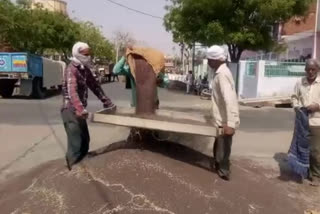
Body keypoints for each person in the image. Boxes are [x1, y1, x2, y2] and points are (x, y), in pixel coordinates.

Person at [61, 42, 116, 170]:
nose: (88, 56)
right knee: (76, 142)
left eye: (88, 54)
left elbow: (95, 86)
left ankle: (82, 166)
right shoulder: (72, 69)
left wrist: (107, 102)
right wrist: (80, 109)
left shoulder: (84, 69)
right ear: (77, 53)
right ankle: (72, 169)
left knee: (85, 140)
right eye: (85, 54)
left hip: (80, 110)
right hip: (70, 110)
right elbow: (72, 91)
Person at [207, 45, 240, 181]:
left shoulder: (222, 75)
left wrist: (230, 124)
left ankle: (224, 171)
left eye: (209, 59)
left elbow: (229, 100)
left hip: (225, 120)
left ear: (216, 60)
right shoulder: (219, 72)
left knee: (224, 147)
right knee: (219, 144)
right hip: (221, 119)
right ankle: (218, 165)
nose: (208, 62)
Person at [291, 59, 320, 186]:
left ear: (318, 69)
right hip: (302, 122)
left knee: (315, 150)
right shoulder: (300, 82)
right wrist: (297, 107)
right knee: (302, 148)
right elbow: (294, 97)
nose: (310, 72)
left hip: (316, 121)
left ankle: (316, 175)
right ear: (305, 70)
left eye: (313, 69)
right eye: (308, 69)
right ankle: (305, 171)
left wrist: (317, 106)